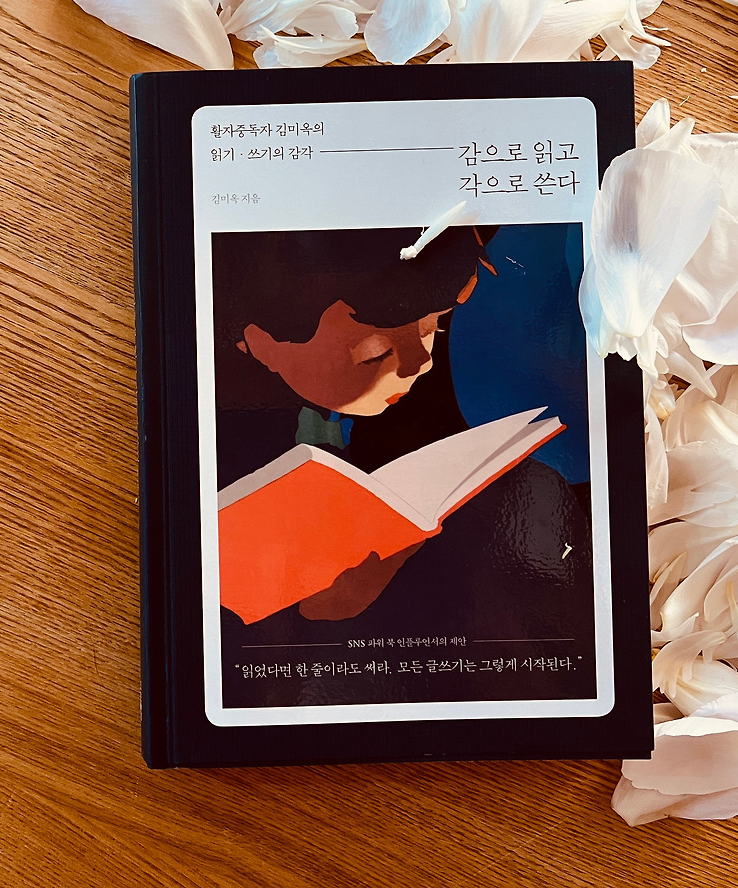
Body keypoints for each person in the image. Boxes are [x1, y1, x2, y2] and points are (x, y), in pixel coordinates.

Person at [211, 224, 596, 708]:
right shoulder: (219, 428)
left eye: (433, 328)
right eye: (374, 354)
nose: (420, 363)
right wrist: (308, 610)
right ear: (259, 342)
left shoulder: (418, 399)